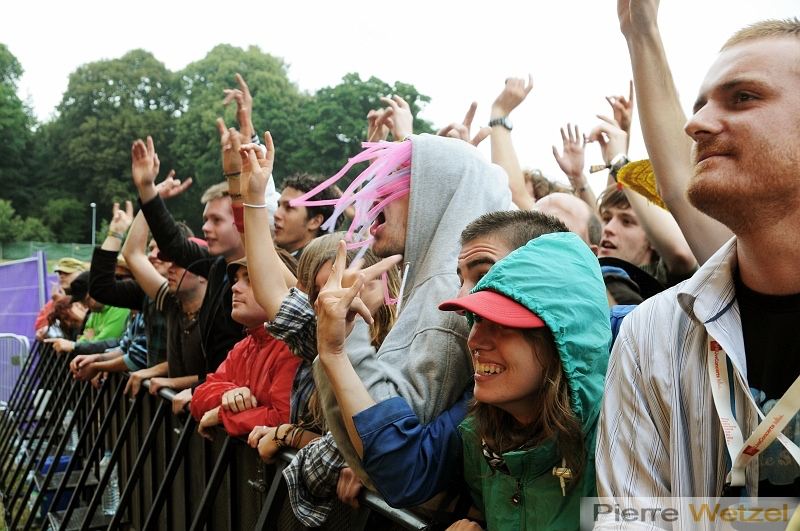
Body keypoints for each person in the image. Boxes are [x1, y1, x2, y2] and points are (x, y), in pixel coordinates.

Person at [595, 2, 800, 526]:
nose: (695, 125)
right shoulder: (652, 334)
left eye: (744, 97)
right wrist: (638, 31)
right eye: (700, 104)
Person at [295, 132, 511, 491]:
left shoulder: (446, 292)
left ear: (435, 193)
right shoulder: (434, 279)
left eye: (396, 183)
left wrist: (347, 343)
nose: (375, 199)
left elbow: (393, 454)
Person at [436, 232, 610, 530]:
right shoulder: (477, 436)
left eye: (503, 325)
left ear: (561, 345)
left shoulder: (616, 446)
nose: (475, 340)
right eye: (477, 320)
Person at [191, 255, 300, 439]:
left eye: (250, 280)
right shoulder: (243, 346)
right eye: (236, 280)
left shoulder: (293, 346)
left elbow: (285, 421)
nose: (234, 287)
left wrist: (222, 415)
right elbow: (199, 397)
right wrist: (229, 394)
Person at [121, 210, 208, 407]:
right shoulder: (172, 303)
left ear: (203, 273)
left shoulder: (222, 314)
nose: (170, 268)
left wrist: (173, 382)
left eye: (179, 264)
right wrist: (147, 201)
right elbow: (131, 254)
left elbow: (221, 373)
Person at [34, 257, 88, 338]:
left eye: (67, 273)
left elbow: (85, 324)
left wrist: (62, 305)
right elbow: (39, 329)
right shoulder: (53, 301)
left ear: (82, 273)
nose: (62, 276)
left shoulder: (89, 299)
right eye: (60, 273)